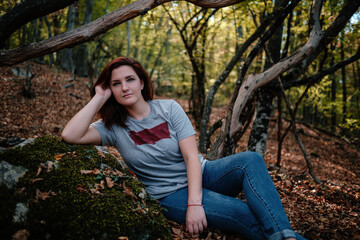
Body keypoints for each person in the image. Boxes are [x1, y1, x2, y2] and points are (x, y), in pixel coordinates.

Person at [61, 57, 306, 240]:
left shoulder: (168, 108)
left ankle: (286, 235)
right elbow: (70, 135)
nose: (124, 87)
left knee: (250, 159)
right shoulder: (112, 127)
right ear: (111, 90)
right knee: (242, 212)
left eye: (130, 80)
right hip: (169, 194)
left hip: (204, 173)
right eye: (116, 84)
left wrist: (195, 204)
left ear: (142, 82)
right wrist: (99, 97)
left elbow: (191, 158)